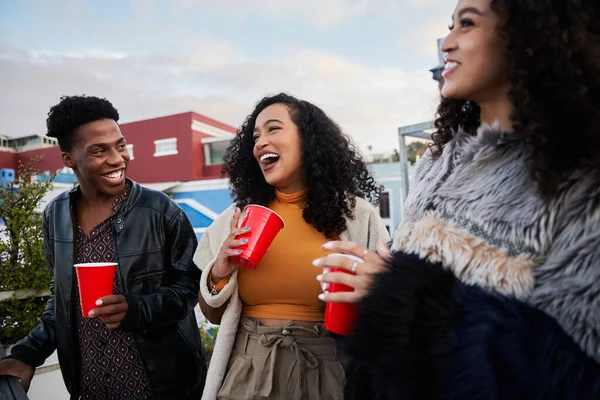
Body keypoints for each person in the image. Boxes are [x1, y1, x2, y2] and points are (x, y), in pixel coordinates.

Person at [315, 0, 600, 398]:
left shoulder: (581, 180)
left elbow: (574, 375)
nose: (446, 43)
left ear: (530, 37)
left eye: (466, 24)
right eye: (449, 26)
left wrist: (404, 296)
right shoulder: (433, 164)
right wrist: (371, 296)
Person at [0, 95, 206, 399]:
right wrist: (27, 352)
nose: (117, 159)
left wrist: (138, 309)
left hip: (160, 385)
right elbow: (61, 300)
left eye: (120, 146)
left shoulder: (161, 210)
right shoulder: (55, 216)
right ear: (69, 159)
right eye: (99, 151)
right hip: (90, 386)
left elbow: (190, 285)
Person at [195, 93, 390, 400]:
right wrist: (220, 268)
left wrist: (376, 288)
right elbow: (212, 315)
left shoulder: (358, 217)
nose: (260, 142)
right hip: (248, 371)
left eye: (273, 129)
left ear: (308, 140)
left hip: (329, 371)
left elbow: (389, 307)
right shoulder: (236, 220)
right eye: (256, 136)